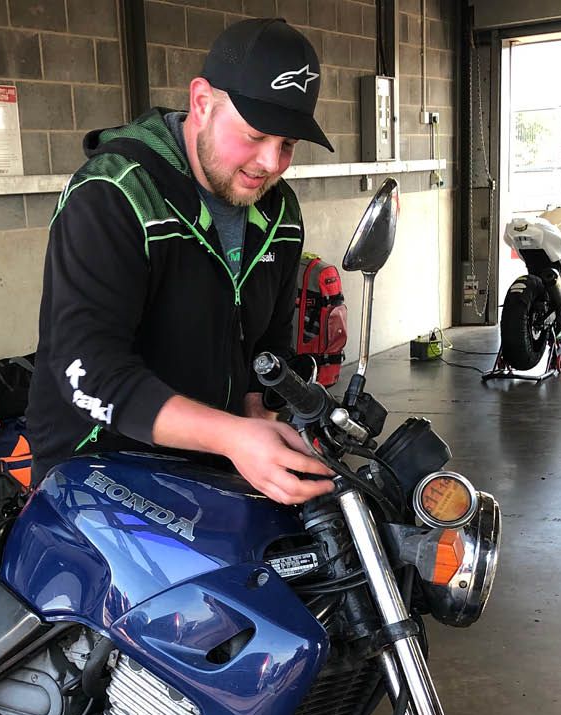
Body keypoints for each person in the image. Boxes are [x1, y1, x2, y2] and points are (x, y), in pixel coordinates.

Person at [27, 17, 336, 505]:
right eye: (256, 135)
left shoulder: (281, 211)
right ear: (201, 102)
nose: (271, 163)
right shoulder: (114, 194)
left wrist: (258, 411)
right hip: (94, 474)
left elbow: (268, 341)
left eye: (288, 145)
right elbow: (88, 368)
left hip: (215, 469)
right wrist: (232, 436)